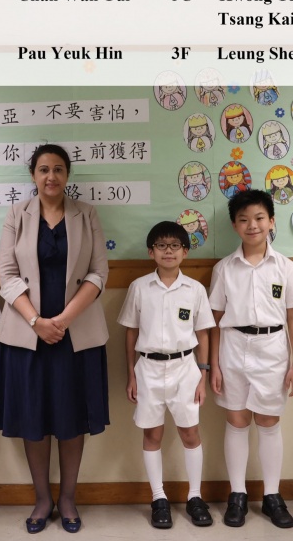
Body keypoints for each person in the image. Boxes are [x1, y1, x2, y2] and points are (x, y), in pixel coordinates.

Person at [0, 143, 110, 534]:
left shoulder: (86, 214)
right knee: (34, 419)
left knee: (72, 418)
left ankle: (68, 498)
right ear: (33, 175)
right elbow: (7, 274)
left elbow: (98, 273)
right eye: (43, 169)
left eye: (58, 169)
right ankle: (42, 499)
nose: (51, 176)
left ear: (67, 174)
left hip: (76, 335)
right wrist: (37, 321)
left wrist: (62, 320)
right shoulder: (16, 215)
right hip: (28, 337)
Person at [118, 221, 215, 529]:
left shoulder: (195, 289)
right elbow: (131, 332)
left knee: (190, 433)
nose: (168, 251)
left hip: (185, 368)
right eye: (161, 245)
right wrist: (131, 374)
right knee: (152, 435)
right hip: (147, 369)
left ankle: (195, 496)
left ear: (185, 251)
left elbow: (203, 334)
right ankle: (158, 498)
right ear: (151, 252)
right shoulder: (139, 287)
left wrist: (202, 376)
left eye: (175, 246)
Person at [209, 189, 293, 529]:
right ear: (234, 225)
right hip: (232, 348)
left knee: (269, 421)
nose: (252, 225)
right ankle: (238, 495)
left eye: (259, 218)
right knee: (237, 419)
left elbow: (291, 317)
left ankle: (272, 495)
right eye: (243, 220)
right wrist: (213, 365)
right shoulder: (224, 269)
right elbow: (214, 320)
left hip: (273, 349)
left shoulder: (285, 267)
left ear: (271, 221)